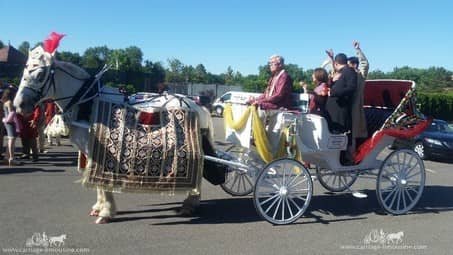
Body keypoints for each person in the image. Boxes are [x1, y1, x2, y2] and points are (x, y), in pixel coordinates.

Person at [325, 53, 357, 164]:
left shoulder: (349, 71)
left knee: (339, 134)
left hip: (341, 109)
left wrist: (333, 92)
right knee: (333, 133)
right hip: (334, 109)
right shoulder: (342, 72)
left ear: (337, 63)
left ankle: (341, 159)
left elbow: (351, 88)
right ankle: (334, 158)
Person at [347, 41, 369, 146]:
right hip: (346, 107)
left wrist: (358, 50)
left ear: (354, 65)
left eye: (348, 65)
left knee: (353, 133)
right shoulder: (346, 75)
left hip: (355, 107)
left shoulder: (360, 75)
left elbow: (365, 63)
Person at [1, 88, 21, 166]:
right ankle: (12, 158)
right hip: (11, 123)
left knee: (10, 140)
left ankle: (7, 157)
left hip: (8, 122)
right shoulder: (9, 102)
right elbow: (11, 114)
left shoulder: (5, 102)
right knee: (12, 140)